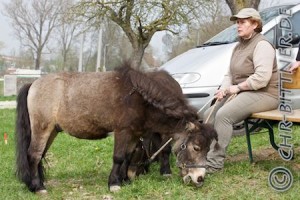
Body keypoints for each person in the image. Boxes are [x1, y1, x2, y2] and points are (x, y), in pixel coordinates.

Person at [203, 8, 279, 173]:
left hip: (265, 94)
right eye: (237, 22)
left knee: (224, 116)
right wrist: (224, 89)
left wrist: (236, 88)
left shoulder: (262, 45)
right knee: (208, 115)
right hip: (245, 92)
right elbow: (230, 74)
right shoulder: (238, 47)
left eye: (243, 22)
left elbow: (261, 78)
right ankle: (202, 156)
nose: (238, 25)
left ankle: (214, 164)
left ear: (254, 24)